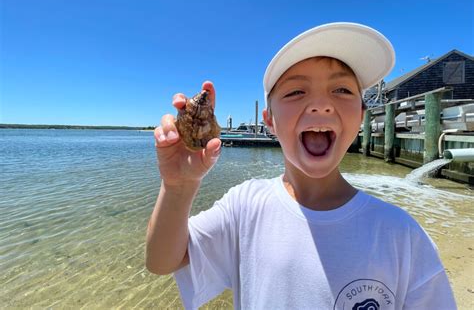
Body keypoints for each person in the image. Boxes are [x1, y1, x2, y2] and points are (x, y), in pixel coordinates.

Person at [146, 22, 457, 309]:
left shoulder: (401, 235)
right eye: (296, 91)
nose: (321, 103)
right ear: (270, 122)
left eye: (342, 90)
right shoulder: (245, 207)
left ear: (361, 116)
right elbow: (162, 261)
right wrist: (178, 187)